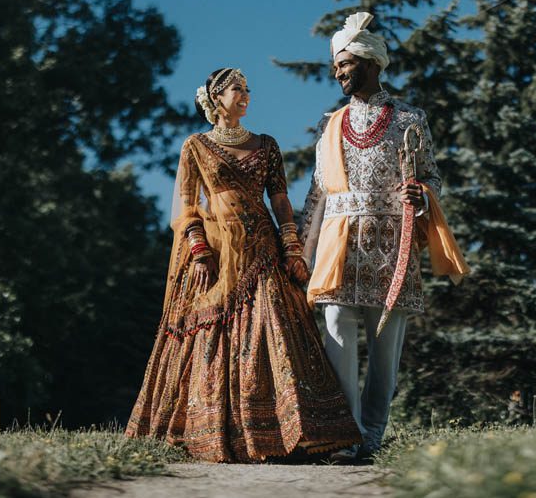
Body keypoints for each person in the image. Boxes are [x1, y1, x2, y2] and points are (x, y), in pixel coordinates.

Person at [125, 68, 360, 463]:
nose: (246, 95)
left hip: (262, 249)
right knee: (210, 337)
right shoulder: (195, 146)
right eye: (238, 89)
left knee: (275, 330)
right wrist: (199, 251)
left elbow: (281, 199)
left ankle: (294, 435)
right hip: (215, 255)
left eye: (248, 89)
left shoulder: (266, 145)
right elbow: (184, 207)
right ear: (217, 97)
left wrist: (291, 245)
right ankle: (210, 433)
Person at [300, 13, 469, 463]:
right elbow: (317, 191)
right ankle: (347, 434)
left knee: (384, 349)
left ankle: (372, 435)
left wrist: (423, 194)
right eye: (336, 65)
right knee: (336, 331)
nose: (338, 72)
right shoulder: (330, 124)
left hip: (392, 249)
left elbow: (432, 176)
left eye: (346, 63)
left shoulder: (410, 119)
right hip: (339, 247)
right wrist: (300, 249)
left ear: (372, 63)